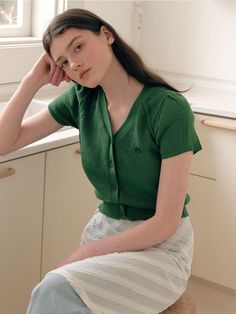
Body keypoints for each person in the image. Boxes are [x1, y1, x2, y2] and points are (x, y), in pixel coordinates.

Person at [0, 8, 202, 314]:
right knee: (58, 294)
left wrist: (86, 252)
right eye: (63, 63)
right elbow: (4, 142)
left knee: (53, 289)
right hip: (106, 234)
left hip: (161, 250)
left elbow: (166, 222)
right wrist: (31, 81)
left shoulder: (168, 108)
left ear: (106, 35)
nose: (74, 64)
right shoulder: (82, 100)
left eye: (78, 47)